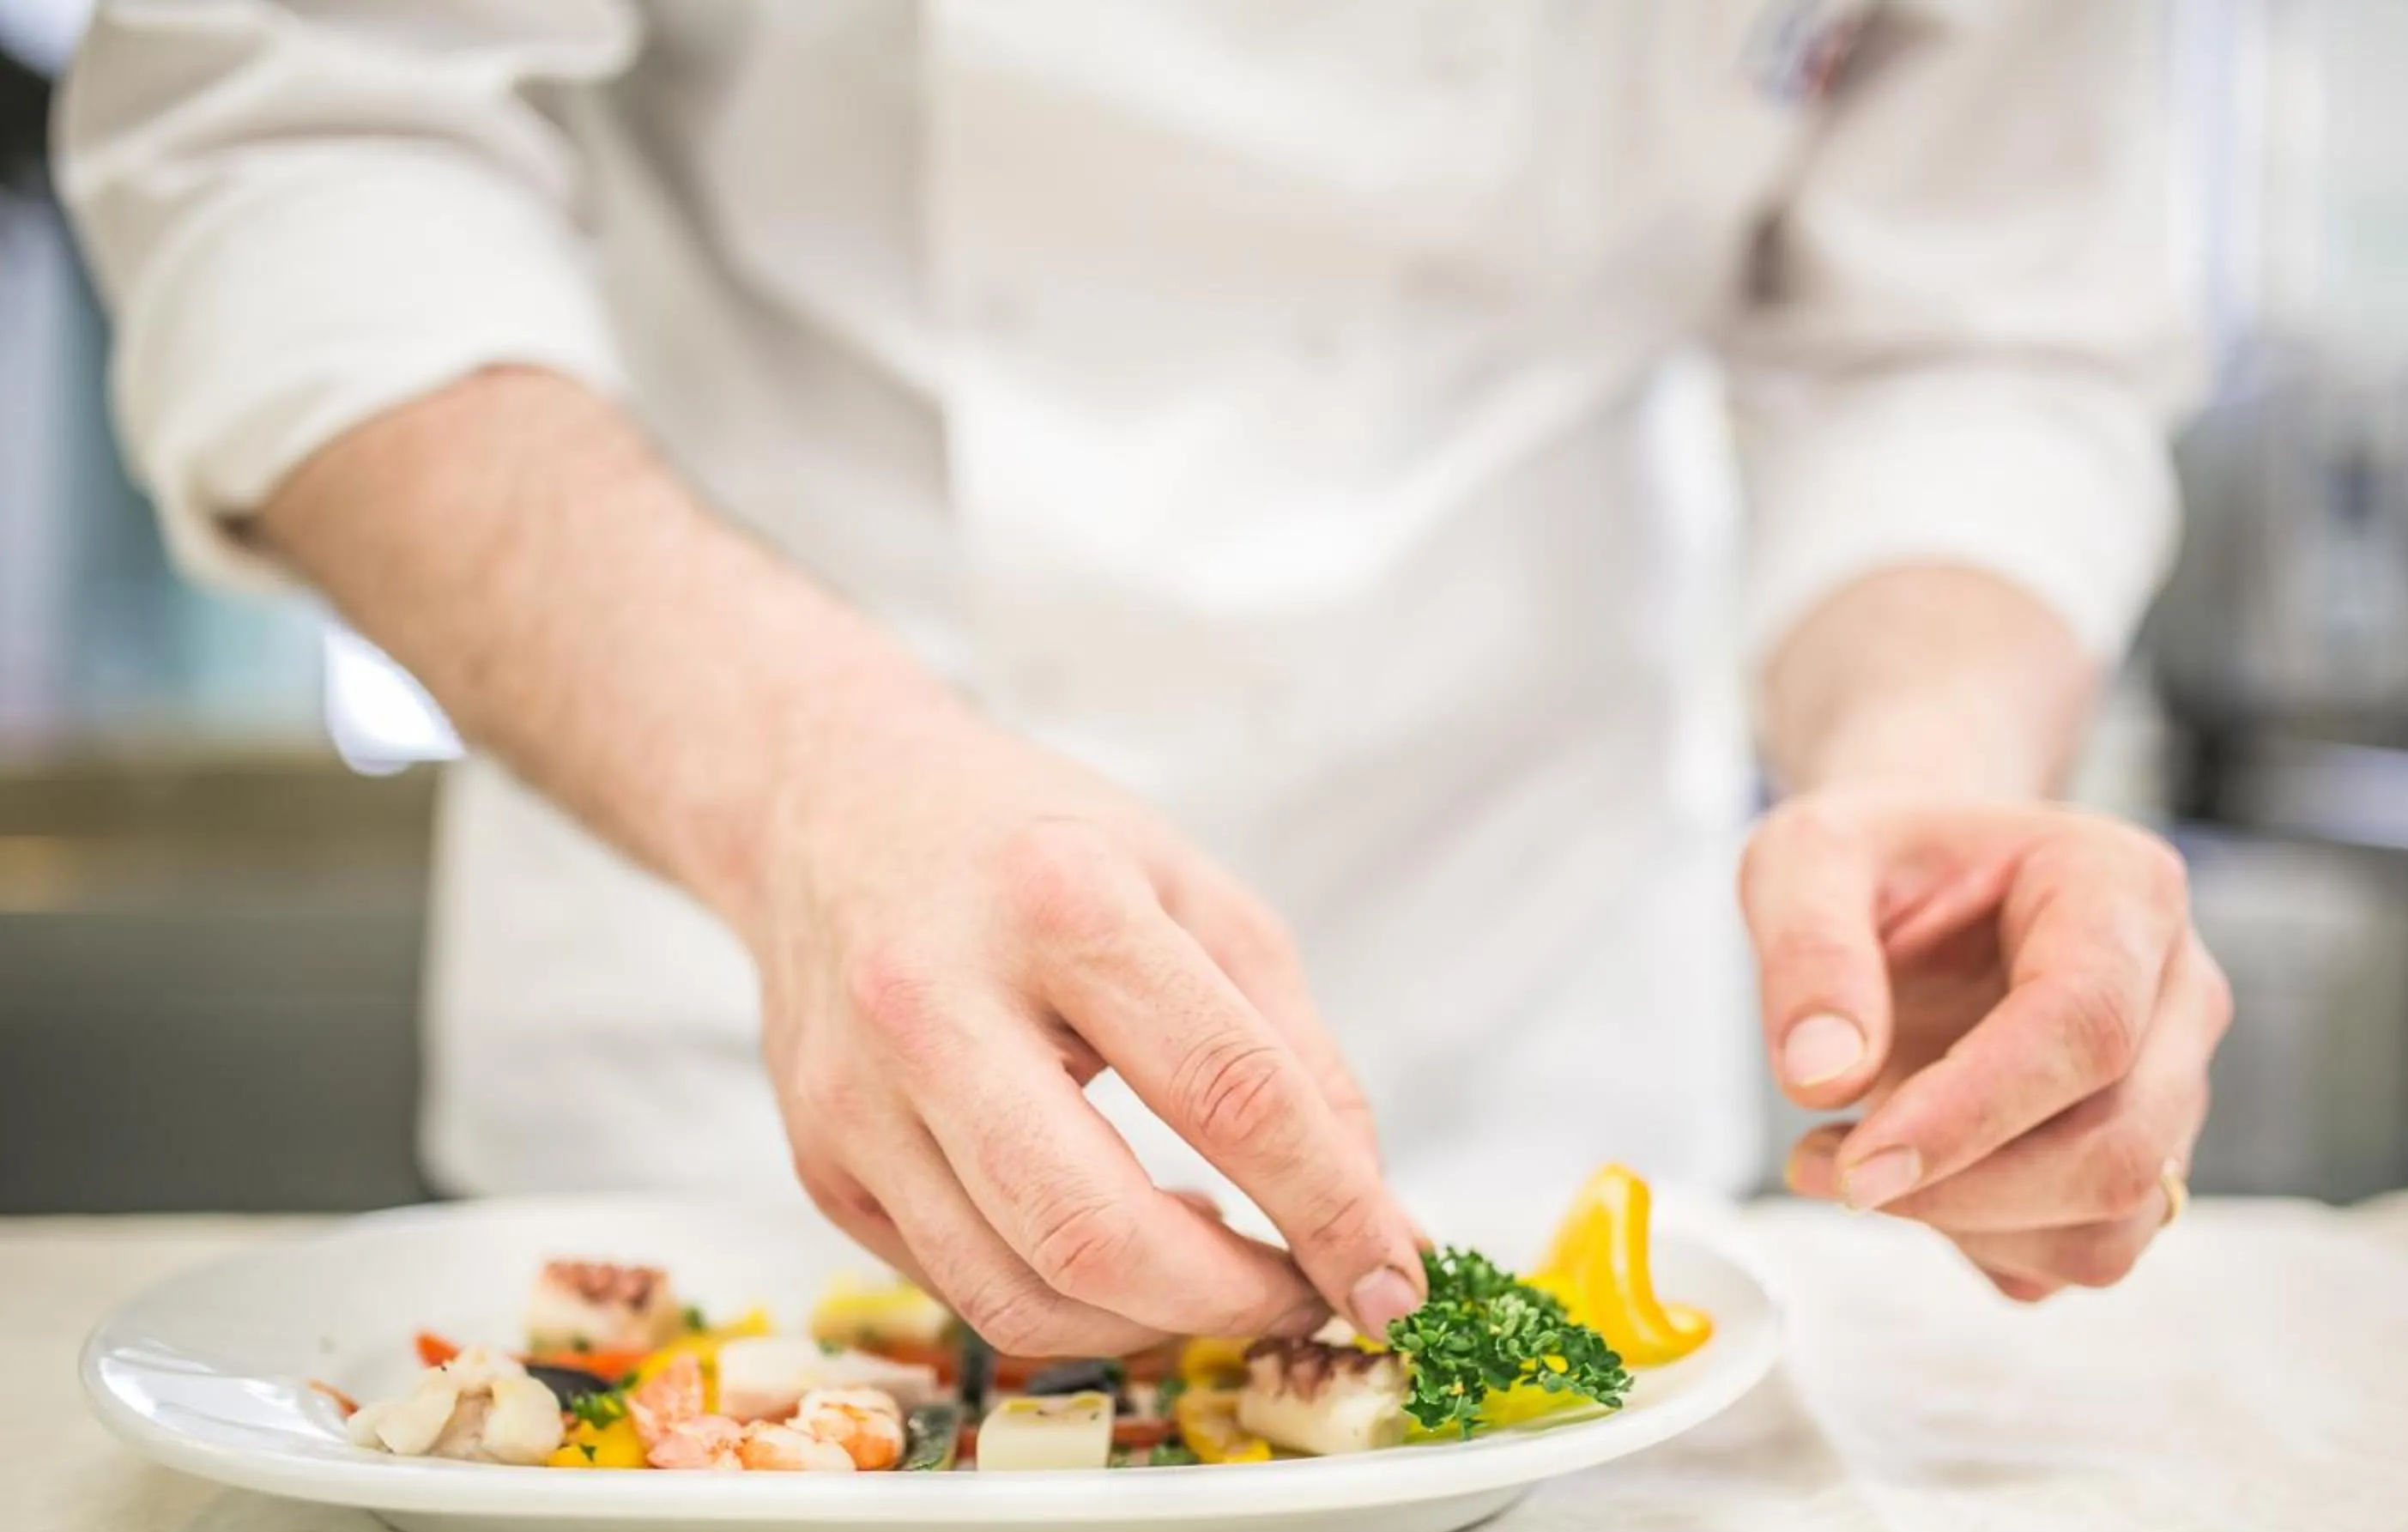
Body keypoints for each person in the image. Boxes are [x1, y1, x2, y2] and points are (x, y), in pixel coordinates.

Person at [57, 0, 2230, 1350]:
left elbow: (1976, 326)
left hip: (1523, 1019)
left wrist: (1932, 784)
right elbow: (288, 127)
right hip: (724, 1019)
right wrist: (811, 788)